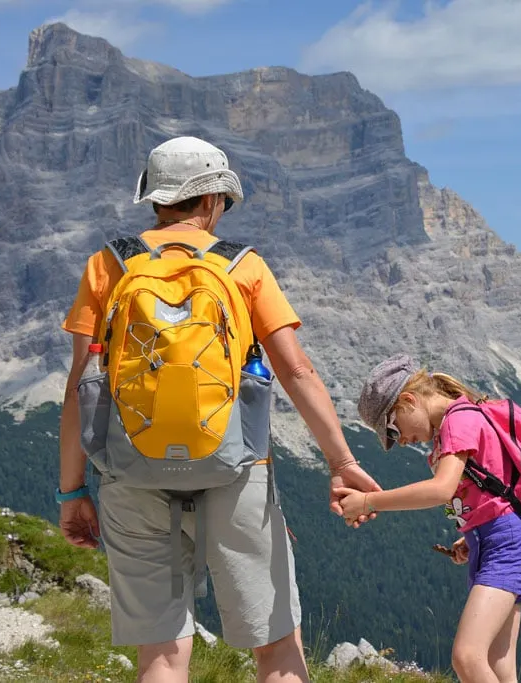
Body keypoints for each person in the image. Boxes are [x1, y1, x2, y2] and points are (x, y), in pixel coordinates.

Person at [58, 135, 380, 683]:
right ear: (209, 200)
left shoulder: (105, 266)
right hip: (236, 468)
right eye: (223, 202)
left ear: (156, 199)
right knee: (276, 644)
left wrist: (72, 492)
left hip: (129, 470)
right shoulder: (244, 267)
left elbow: (79, 388)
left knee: (161, 653)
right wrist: (341, 461)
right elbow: (296, 371)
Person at [336, 353, 521, 683]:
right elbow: (490, 492)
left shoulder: (457, 419)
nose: (400, 440)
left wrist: (369, 501)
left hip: (507, 546)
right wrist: (472, 534)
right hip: (499, 541)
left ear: (408, 400)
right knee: (498, 666)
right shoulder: (459, 419)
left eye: (393, 428)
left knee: (467, 656)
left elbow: (442, 489)